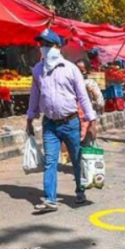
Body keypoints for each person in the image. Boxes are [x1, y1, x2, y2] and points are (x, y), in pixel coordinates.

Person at [26, 29, 98, 213]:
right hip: (49, 124)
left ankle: (80, 191)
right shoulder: (38, 70)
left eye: (48, 45)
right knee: (50, 161)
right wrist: (30, 118)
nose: (44, 48)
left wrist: (91, 120)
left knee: (76, 159)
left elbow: (83, 97)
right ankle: (50, 199)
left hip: (71, 122)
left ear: (57, 47)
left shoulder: (71, 69)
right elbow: (34, 95)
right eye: (42, 45)